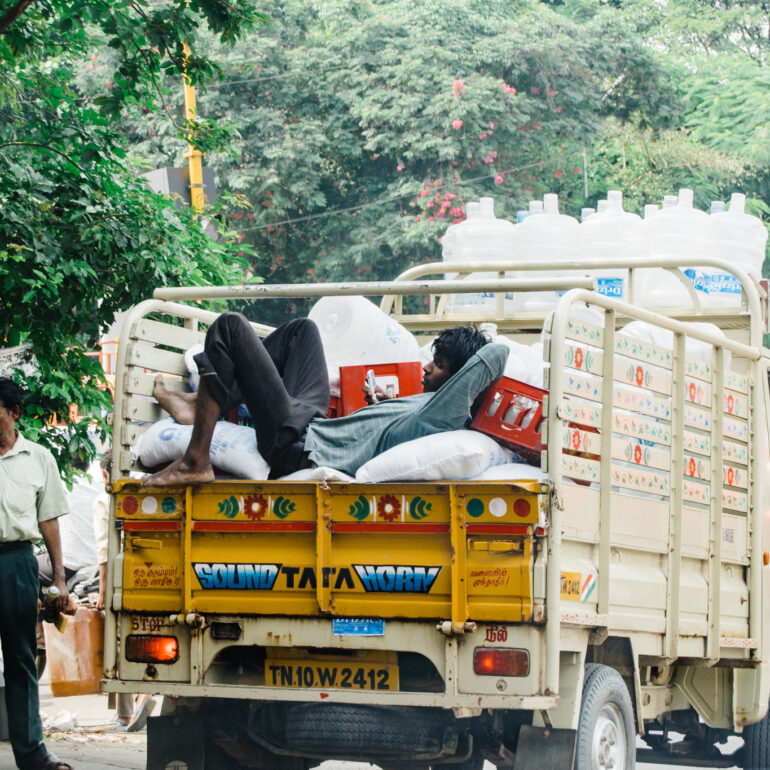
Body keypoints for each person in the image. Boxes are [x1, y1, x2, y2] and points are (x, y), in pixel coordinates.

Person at [143, 313, 506, 485]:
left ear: (461, 379)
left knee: (229, 328)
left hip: (296, 446)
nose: (427, 368)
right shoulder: (425, 405)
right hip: (313, 424)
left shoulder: (445, 415)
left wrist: (474, 347)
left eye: (439, 365)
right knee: (302, 331)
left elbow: (497, 353)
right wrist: (378, 408)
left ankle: (195, 460)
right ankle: (202, 404)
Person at [0, 378, 72, 770]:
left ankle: (32, 754)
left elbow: (49, 522)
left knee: (21, 658)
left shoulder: (39, 457)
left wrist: (59, 579)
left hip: (17, 562)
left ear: (14, 414)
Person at [92, 451, 156, 731]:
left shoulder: (104, 500)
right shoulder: (144, 493)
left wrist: (103, 590)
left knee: (120, 640)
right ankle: (142, 696)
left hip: (121, 575)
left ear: (106, 474)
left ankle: (127, 711)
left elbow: (104, 549)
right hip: (151, 572)